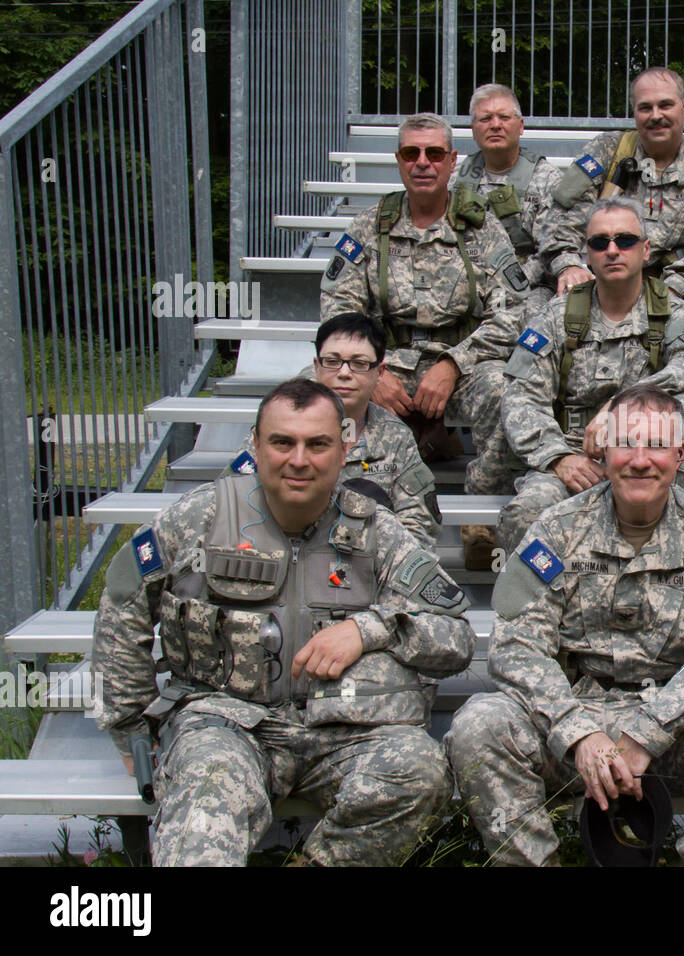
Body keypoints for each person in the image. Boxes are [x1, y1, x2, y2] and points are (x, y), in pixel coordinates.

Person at [91, 380, 476, 866]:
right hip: (227, 725)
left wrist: (368, 630)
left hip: (346, 732)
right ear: (255, 444)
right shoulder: (200, 518)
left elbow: (456, 636)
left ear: (345, 447)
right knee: (201, 814)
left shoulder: (378, 532)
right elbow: (121, 606)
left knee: (421, 772)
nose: (299, 459)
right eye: (282, 442)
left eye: (317, 444)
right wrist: (129, 725)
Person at [446, 385, 684, 867]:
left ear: (680, 455)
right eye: (626, 443)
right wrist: (578, 733)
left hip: (674, 727)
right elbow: (516, 645)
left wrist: (648, 732)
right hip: (573, 718)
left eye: (657, 446)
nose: (640, 460)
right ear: (603, 450)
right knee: (481, 721)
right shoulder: (557, 529)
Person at [320, 111, 526, 569]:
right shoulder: (370, 226)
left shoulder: (480, 227)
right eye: (411, 153)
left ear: (452, 161)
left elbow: (515, 310)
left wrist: (454, 364)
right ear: (398, 161)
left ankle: (479, 526)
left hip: (459, 366)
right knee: (316, 391)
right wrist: (371, 372)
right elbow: (337, 309)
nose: (423, 163)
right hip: (385, 363)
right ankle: (329, 508)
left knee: (505, 389)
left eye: (434, 153)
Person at [497, 197, 684, 554]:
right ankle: (538, 602)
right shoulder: (556, 317)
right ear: (587, 254)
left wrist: (620, 406)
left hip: (646, 456)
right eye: (600, 242)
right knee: (528, 510)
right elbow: (521, 396)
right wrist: (559, 459)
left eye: (625, 240)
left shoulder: (672, 312)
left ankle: (671, 529)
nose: (613, 250)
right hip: (575, 454)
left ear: (645, 249)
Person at [541, 67, 684, 407]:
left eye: (666, 105)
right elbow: (561, 216)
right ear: (634, 112)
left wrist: (672, 284)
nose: (656, 116)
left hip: (677, 283)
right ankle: (565, 411)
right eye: (645, 108)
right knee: (549, 297)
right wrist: (566, 264)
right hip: (607, 274)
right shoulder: (607, 154)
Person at [225, 313, 441, 547]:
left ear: (379, 373)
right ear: (317, 367)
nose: (344, 373)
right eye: (332, 361)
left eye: (359, 364)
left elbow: (418, 527)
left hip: (362, 566)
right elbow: (233, 501)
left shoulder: (396, 437)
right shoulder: (279, 425)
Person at [452, 83, 563, 315]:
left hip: (529, 286)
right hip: (469, 281)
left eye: (503, 117)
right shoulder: (456, 182)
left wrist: (506, 285)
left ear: (520, 126)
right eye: (485, 119)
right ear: (473, 128)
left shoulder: (547, 179)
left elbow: (549, 250)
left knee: (523, 317)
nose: (495, 125)